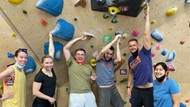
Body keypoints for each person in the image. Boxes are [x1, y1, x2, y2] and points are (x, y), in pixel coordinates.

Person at [126, 3, 154, 107]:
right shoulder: (130, 60)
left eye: (134, 45)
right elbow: (130, 73)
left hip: (148, 91)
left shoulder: (145, 52)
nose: (132, 47)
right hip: (136, 90)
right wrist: (128, 87)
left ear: (138, 46)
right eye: (130, 46)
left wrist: (147, 15)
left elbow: (146, 35)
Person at [63, 36, 97, 107]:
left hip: (89, 93)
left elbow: (92, 81)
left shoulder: (89, 66)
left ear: (84, 56)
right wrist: (79, 39)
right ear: (75, 56)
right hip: (75, 94)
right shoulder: (71, 63)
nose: (80, 56)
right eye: (78, 54)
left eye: (82, 55)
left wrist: (93, 80)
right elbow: (65, 48)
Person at [95, 34, 124, 107]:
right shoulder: (99, 60)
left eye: (111, 54)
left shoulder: (112, 61)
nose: (108, 55)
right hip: (103, 88)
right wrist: (114, 40)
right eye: (107, 53)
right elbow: (102, 52)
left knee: (120, 104)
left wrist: (117, 44)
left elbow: (119, 59)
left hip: (112, 87)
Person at [32, 31, 57, 107]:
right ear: (42, 64)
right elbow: (35, 92)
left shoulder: (51, 70)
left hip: (49, 102)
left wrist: (50, 37)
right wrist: (48, 98)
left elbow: (51, 51)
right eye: (46, 63)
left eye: (51, 62)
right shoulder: (40, 76)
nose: (49, 65)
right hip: (40, 104)